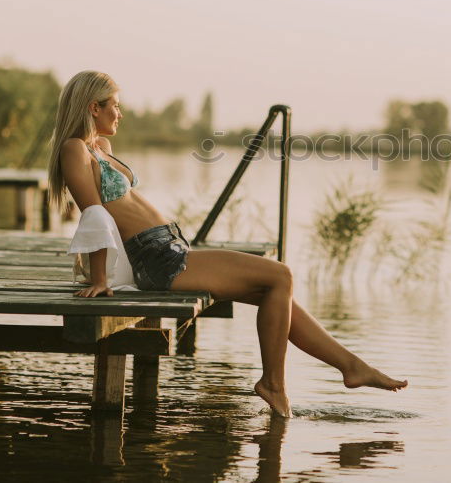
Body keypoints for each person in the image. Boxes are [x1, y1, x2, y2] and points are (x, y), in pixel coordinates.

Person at [47, 71, 407, 418]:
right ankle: (274, 383)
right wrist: (99, 280)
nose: (120, 113)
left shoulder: (101, 147)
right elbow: (94, 216)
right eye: (114, 105)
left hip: (170, 249)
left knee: (274, 290)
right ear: (93, 107)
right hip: (156, 259)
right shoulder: (73, 150)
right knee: (279, 276)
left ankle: (350, 366)